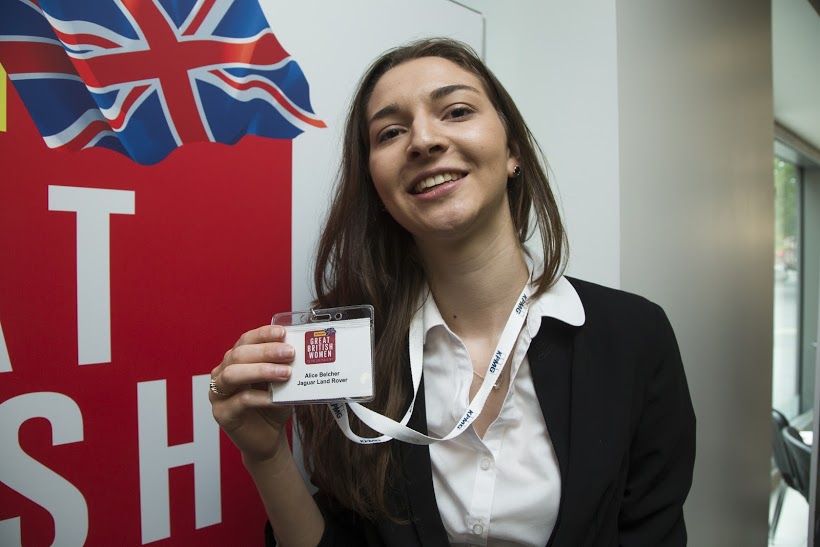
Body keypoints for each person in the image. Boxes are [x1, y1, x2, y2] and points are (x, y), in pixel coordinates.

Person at [209, 37, 696, 547]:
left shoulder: (635, 336)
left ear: (513, 151)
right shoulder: (349, 351)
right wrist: (267, 457)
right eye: (391, 132)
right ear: (377, 184)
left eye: (456, 110)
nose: (422, 140)